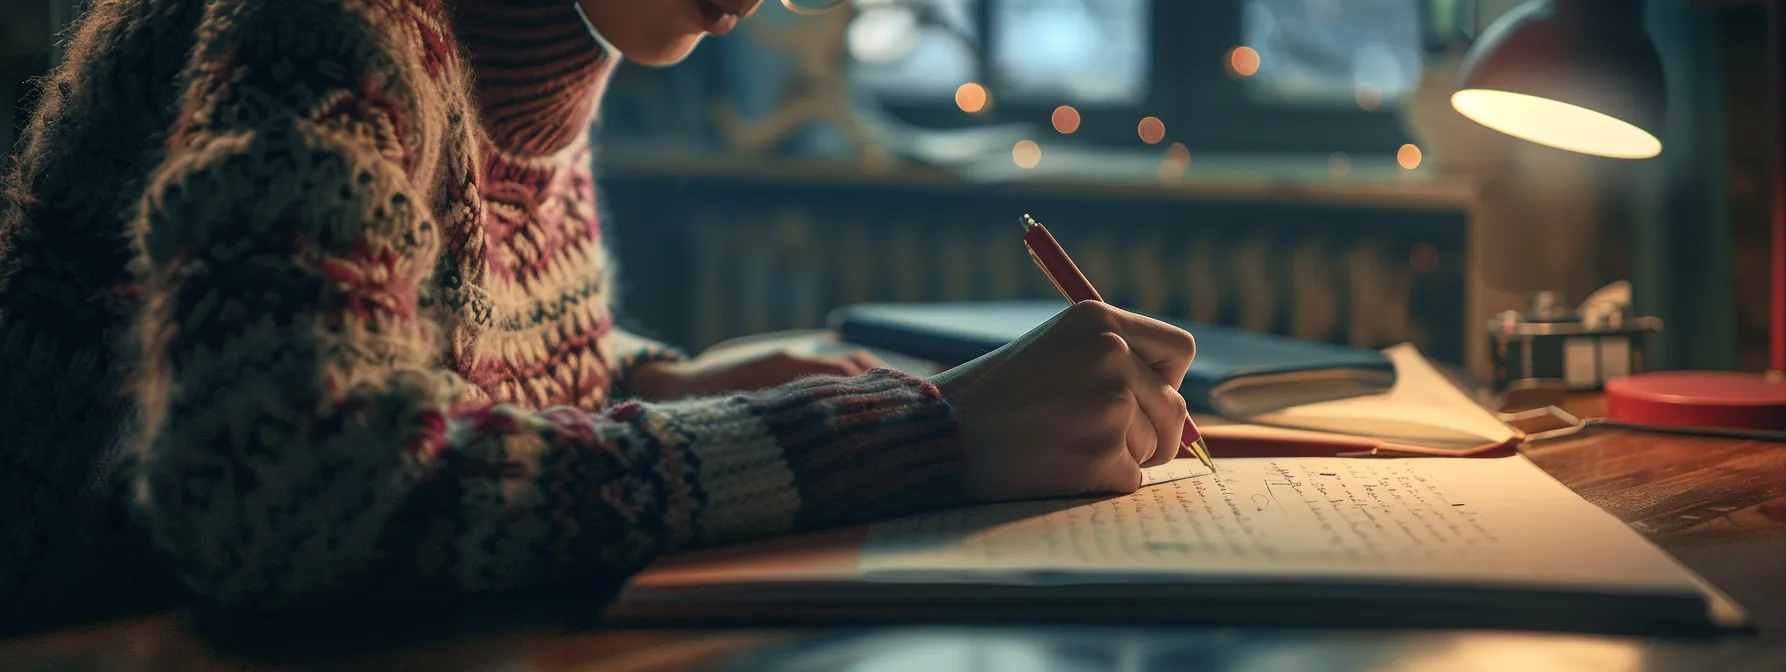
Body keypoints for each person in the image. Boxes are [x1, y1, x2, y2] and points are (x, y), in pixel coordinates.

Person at [0, 0, 1197, 635]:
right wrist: (914, 434)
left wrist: (657, 384)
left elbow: (410, 333)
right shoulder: (321, 27)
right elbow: (295, 489)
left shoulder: (524, 43)